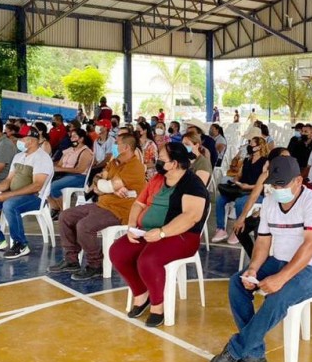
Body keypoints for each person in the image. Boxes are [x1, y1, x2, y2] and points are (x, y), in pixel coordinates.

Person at [209, 156, 312, 362]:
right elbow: (263, 241)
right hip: (278, 261)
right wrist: (253, 269)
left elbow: (310, 246)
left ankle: (234, 350)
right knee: (237, 284)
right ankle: (255, 352)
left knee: (278, 296)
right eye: (273, 184)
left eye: (281, 185)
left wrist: (281, 278)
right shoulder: (269, 202)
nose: (277, 189)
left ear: (298, 181)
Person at [110, 142, 209, 327]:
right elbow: (139, 204)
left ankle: (158, 306)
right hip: (149, 232)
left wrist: (162, 233)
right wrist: (132, 226)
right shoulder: (157, 179)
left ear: (174, 163)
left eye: (161, 159)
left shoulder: (193, 184)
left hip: (182, 236)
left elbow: (191, 217)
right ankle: (141, 295)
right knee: (118, 252)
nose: (157, 162)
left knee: (148, 260)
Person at [49, 134, 147, 280]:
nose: (114, 146)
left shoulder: (135, 166)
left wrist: (107, 186)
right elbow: (98, 180)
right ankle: (71, 260)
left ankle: (95, 265)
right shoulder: (115, 162)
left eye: (117, 143)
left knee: (84, 226)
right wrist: (104, 185)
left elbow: (109, 185)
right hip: (102, 203)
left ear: (126, 147)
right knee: (65, 216)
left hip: (121, 210)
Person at [0, 128, 54, 258]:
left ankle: (20, 244)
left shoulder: (42, 158)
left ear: (32, 140)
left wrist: (8, 195)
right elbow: (8, 180)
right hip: (15, 195)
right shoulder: (19, 156)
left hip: (35, 197)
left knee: (10, 205)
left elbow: (37, 186)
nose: (18, 141)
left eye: (22, 138)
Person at [233, 147, 291, 260]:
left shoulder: (290, 177)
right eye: (284, 157)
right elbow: (253, 197)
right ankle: (255, 258)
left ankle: (261, 261)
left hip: (281, 217)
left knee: (259, 229)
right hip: (264, 213)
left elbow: (285, 202)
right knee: (239, 230)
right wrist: (242, 217)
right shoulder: (265, 175)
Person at [212, 136, 268, 243]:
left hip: (255, 192)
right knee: (220, 200)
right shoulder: (247, 159)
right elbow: (239, 175)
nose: (249, 146)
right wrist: (236, 181)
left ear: (259, 147)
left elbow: (263, 183)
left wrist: (248, 186)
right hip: (241, 189)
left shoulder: (265, 162)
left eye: (252, 144)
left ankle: (238, 230)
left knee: (239, 202)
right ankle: (221, 228)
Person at [48, 128, 94, 215]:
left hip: (79, 177)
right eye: (71, 136)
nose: (72, 138)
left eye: (74, 136)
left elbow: (80, 169)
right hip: (65, 175)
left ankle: (64, 212)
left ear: (81, 139)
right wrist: (55, 167)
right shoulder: (69, 150)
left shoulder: (86, 151)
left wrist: (60, 169)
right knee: (44, 185)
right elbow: (60, 164)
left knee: (53, 186)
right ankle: (55, 208)